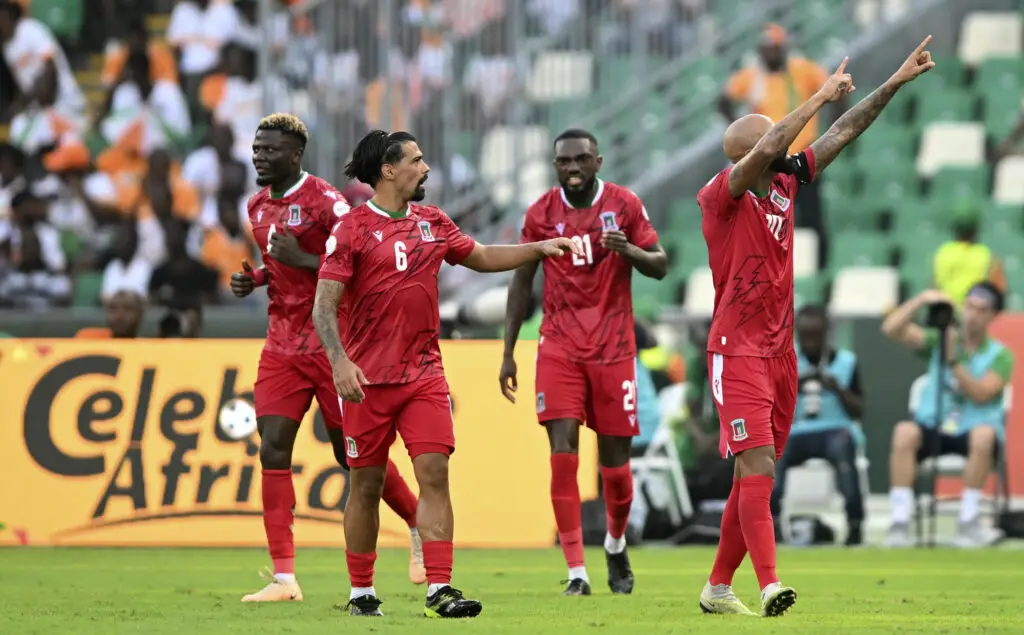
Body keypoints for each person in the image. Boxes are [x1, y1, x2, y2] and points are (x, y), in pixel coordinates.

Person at [695, 38, 935, 617]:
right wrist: (818, 97)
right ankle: (770, 584)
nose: (787, 145)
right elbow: (772, 142)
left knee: (753, 476)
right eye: (774, 141)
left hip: (780, 353)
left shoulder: (784, 183)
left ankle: (717, 587)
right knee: (757, 468)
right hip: (736, 350)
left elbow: (843, 132)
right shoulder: (720, 196)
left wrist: (894, 82)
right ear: (752, 155)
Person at [312, 129, 579, 618]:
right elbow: (323, 306)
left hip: (423, 374)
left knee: (434, 473)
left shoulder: (433, 222)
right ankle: (361, 592)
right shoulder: (350, 229)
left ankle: (440, 588)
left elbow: (481, 256)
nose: (426, 167)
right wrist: (339, 361)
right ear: (388, 170)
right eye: (416, 160)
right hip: (367, 381)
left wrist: (538, 248)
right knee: (366, 484)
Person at [230, 114, 424, 603]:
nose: (259, 156)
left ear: (295, 154)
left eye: (270, 149)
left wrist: (303, 259)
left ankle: (418, 521)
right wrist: (256, 278)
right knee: (273, 447)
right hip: (282, 345)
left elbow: (363, 261)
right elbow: (278, 266)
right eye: (257, 149)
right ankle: (284, 578)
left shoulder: (328, 202)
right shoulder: (256, 206)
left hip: (332, 344)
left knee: (351, 455)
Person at [499, 128, 667, 596]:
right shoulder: (540, 213)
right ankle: (576, 571)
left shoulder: (625, 205)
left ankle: (615, 542)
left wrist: (628, 250)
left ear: (598, 162)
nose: (572, 167)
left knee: (616, 467)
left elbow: (660, 264)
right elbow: (521, 283)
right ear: (555, 165)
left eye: (581, 159)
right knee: (562, 454)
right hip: (560, 347)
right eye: (564, 161)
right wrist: (508, 351)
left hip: (614, 349)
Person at [880, 283, 1013, 548]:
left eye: (982, 310)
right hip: (935, 425)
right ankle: (900, 521)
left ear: (993, 315)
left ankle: (968, 521)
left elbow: (982, 394)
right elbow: (891, 329)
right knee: (904, 432)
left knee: (984, 436)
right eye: (970, 307)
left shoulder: (1001, 356)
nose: (973, 315)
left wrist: (952, 361)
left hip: (973, 430)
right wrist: (921, 299)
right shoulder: (939, 339)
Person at [719, 23, 843, 269]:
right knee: (766, 216)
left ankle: (819, 270)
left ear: (784, 48)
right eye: (766, 49)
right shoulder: (753, 77)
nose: (771, 53)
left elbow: (834, 88)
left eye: (775, 48)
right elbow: (724, 100)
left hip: (801, 154)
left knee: (811, 216)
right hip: (768, 161)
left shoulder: (801, 70)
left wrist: (833, 128)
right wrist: (739, 128)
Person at [769, 305, 865, 546]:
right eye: (805, 336)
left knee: (843, 448)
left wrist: (837, 388)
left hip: (836, 428)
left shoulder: (847, 362)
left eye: (816, 336)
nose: (811, 343)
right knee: (773, 450)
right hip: (795, 430)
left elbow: (859, 410)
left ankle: (854, 523)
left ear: (827, 333)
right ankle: (771, 522)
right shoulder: (785, 361)